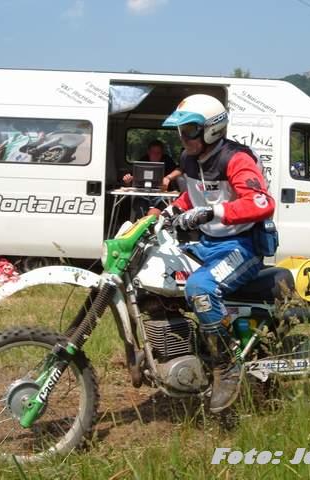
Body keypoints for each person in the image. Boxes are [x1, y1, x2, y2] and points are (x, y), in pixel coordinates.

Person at [160, 94, 275, 413]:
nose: (184, 137)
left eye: (190, 130)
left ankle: (226, 366)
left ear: (212, 129)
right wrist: (169, 210)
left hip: (243, 246)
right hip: (208, 244)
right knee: (163, 272)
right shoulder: (187, 159)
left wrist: (213, 213)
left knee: (200, 288)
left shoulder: (237, 159)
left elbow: (262, 202)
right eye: (180, 131)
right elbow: (194, 194)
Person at [122, 140, 182, 219]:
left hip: (162, 195)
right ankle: (141, 228)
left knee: (164, 210)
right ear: (148, 152)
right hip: (143, 196)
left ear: (162, 153)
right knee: (139, 208)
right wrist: (127, 181)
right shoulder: (142, 161)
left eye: (158, 153)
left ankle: (160, 227)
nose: (156, 155)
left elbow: (180, 170)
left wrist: (168, 178)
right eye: (153, 152)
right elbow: (130, 181)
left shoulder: (167, 160)